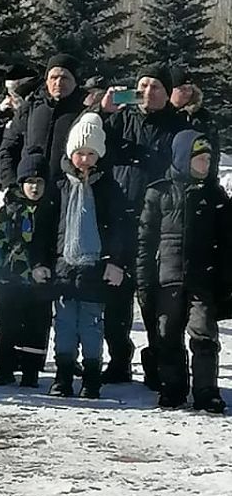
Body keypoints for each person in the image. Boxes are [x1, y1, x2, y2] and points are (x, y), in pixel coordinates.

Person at [101, 63, 191, 385]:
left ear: (168, 93)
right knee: (116, 298)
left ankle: (158, 362)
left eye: (156, 87)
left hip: (160, 223)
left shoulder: (178, 126)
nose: (148, 92)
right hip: (120, 218)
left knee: (156, 299)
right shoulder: (119, 120)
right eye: (143, 85)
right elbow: (89, 149)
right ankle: (118, 359)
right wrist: (100, 113)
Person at [137, 132, 231, 413]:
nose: (206, 164)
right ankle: (173, 388)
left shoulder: (215, 195)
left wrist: (225, 283)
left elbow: (227, 244)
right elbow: (145, 241)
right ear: (182, 159)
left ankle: (206, 391)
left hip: (203, 280)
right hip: (168, 279)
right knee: (167, 336)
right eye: (200, 159)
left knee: (204, 336)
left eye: (209, 159)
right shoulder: (159, 192)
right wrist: (144, 283)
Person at [41, 113, 128, 401]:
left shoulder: (108, 186)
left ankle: (92, 377)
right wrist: (43, 261)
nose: (85, 159)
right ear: (71, 153)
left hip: (95, 267)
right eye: (80, 153)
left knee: (91, 325)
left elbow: (118, 226)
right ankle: (63, 374)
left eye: (91, 154)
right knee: (64, 324)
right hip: (64, 265)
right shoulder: (58, 185)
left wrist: (116, 260)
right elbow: (46, 224)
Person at [0, 153, 55, 389]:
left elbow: (54, 243)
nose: (34, 187)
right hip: (11, 279)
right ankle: (5, 367)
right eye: (30, 182)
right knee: (9, 325)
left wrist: (47, 267)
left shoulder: (51, 210)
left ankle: (31, 370)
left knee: (37, 326)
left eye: (40, 182)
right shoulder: (8, 209)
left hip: (40, 280)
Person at [0, 54, 86, 189]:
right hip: (31, 192)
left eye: (65, 78)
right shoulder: (30, 109)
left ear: (75, 81)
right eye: (54, 77)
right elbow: (8, 148)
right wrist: (12, 184)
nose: (58, 83)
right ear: (47, 80)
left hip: (67, 193)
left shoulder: (84, 112)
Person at [169, 68, 221, 162]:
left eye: (189, 89)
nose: (187, 93)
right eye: (182, 89)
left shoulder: (201, 116)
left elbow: (213, 148)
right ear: (170, 91)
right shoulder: (162, 114)